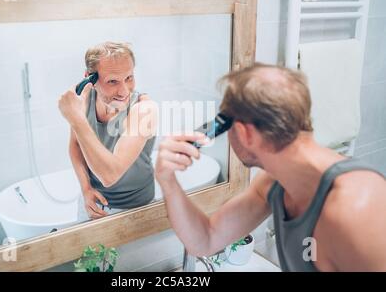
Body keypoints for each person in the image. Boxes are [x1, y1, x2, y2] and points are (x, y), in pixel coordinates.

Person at [154, 63, 386, 272]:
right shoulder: (273, 184)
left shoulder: (358, 206)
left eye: (227, 128)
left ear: (245, 133)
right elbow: (205, 240)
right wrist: (168, 182)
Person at [59, 42, 157, 221]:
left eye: (129, 78)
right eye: (112, 81)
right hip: (94, 202)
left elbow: (109, 176)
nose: (124, 91)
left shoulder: (145, 109)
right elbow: (75, 145)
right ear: (90, 79)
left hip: (137, 207)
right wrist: (86, 189)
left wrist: (76, 118)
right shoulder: (85, 98)